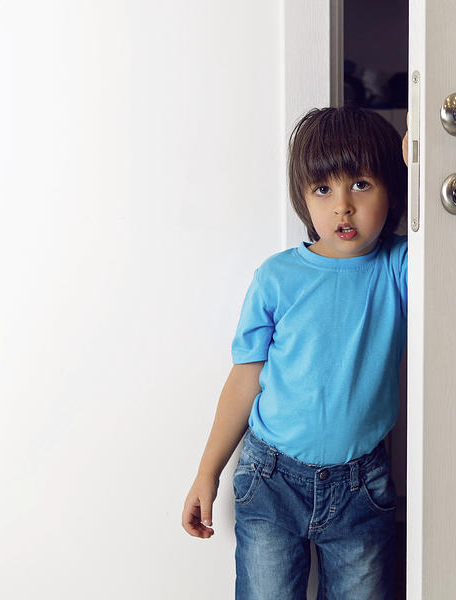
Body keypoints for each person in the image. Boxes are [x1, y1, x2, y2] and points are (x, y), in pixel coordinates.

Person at [182, 106, 409, 599]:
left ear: (393, 190)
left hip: (362, 485)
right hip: (270, 478)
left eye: (362, 185)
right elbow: (245, 379)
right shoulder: (277, 277)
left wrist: (425, 161)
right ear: (303, 199)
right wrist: (207, 472)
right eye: (323, 189)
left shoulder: (399, 266)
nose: (342, 207)